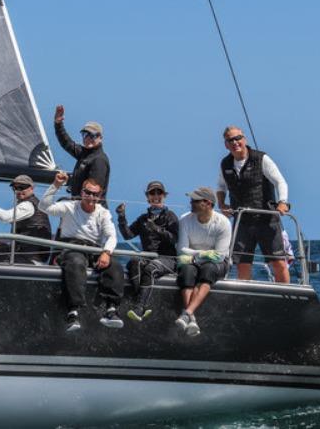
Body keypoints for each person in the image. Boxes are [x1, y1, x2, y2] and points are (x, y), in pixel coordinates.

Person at [39, 171, 124, 332]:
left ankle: (111, 309)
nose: (90, 197)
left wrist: (106, 252)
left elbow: (112, 236)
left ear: (99, 196)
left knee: (115, 266)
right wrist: (56, 185)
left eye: (95, 194)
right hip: (71, 247)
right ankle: (73, 312)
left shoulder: (103, 212)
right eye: (87, 192)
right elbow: (44, 206)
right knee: (76, 262)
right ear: (81, 193)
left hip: (94, 249)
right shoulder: (70, 207)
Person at [216, 126, 290, 283]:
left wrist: (282, 202)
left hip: (266, 219)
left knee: (277, 263)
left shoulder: (261, 158)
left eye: (238, 138)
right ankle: (244, 299)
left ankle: (285, 298)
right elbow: (221, 186)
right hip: (242, 221)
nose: (235, 142)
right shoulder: (225, 164)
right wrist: (222, 204)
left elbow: (280, 181)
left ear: (244, 139)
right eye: (230, 140)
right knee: (242, 264)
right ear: (226, 145)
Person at [115, 181, 179, 322]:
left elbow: (175, 239)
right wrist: (121, 217)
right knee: (133, 263)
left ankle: (139, 306)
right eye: (152, 193)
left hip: (167, 259)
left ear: (164, 196)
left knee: (150, 268)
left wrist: (157, 229)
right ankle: (141, 303)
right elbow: (128, 235)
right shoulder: (143, 219)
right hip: (148, 257)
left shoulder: (171, 216)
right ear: (147, 197)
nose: (156, 196)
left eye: (159, 193)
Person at [175, 186, 232, 337]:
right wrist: (203, 254)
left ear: (207, 203)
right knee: (187, 271)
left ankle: (187, 313)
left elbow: (219, 256)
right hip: (191, 260)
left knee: (208, 269)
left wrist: (194, 255)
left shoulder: (223, 223)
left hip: (215, 263)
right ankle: (191, 318)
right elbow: (181, 249)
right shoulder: (185, 220)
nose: (191, 203)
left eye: (195, 201)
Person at [0, 175, 52, 264]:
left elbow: (4, 217)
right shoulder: (34, 204)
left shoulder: (28, 205)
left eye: (22, 187)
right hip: (30, 255)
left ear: (31, 188)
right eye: (15, 188)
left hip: (28, 259)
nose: (18, 191)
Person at [53, 105, 110, 207]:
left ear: (100, 138)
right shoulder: (85, 153)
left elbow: (93, 191)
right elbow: (67, 143)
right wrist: (58, 123)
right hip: (80, 208)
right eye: (85, 135)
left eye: (92, 135)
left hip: (91, 213)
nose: (87, 138)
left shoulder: (99, 160)